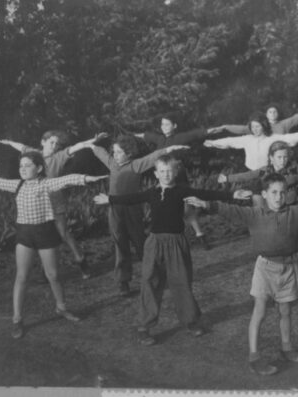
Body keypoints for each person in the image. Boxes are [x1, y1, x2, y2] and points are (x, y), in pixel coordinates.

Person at [185, 174, 298, 376]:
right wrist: (206, 204)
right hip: (264, 268)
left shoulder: (295, 212)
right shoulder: (254, 214)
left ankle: (286, 348)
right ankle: (254, 357)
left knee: (285, 311)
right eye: (274, 192)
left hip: (287, 268)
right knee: (260, 311)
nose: (278, 197)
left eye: (282, 192)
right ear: (265, 194)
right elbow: (229, 210)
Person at [93, 155, 251, 346]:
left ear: (175, 172)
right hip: (154, 243)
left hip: (176, 243)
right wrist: (109, 199)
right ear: (156, 173)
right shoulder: (151, 192)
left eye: (170, 171)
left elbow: (205, 193)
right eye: (162, 171)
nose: (166, 174)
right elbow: (131, 198)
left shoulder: (182, 191)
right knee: (150, 281)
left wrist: (232, 195)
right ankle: (145, 326)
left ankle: (191, 321)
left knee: (181, 282)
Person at [0, 151, 107, 339]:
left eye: (27, 165)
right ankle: (17, 319)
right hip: (25, 235)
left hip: (46, 233)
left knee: (53, 275)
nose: (23, 169)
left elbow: (67, 179)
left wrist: (86, 178)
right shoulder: (17, 185)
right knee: (22, 277)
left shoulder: (46, 184)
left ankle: (61, 308)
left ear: (39, 168)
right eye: (21, 166)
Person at [221, 141, 298, 300]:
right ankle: (271, 288)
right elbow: (248, 175)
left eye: (285, 157)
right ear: (271, 157)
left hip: (291, 214)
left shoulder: (294, 169)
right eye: (279, 157)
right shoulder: (265, 171)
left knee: (291, 253)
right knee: (271, 252)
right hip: (270, 215)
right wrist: (228, 178)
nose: (283, 160)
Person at [90, 134, 189, 296]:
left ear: (129, 153)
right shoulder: (112, 164)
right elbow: (99, 151)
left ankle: (154, 275)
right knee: (120, 244)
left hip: (133, 209)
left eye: (119, 152)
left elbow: (153, 157)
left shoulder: (136, 165)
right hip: (115, 210)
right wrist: (91, 144)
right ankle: (123, 281)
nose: (115, 155)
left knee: (141, 243)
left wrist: (170, 148)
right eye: (114, 152)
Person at [0, 132, 104, 278]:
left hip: (54, 201)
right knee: (43, 234)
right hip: (37, 201)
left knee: (63, 233)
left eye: (57, 144)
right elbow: (21, 147)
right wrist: (10, 143)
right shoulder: (34, 154)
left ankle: (81, 260)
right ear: (43, 142)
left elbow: (77, 147)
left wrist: (93, 140)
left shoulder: (59, 157)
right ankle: (45, 270)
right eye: (51, 142)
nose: (54, 146)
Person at [133, 114, 225, 250]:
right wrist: (131, 136)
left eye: (167, 124)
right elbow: (145, 135)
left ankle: (200, 235)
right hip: (163, 178)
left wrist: (210, 130)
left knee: (187, 207)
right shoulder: (159, 138)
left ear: (175, 125)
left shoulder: (181, 137)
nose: (164, 127)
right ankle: (167, 238)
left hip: (178, 176)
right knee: (163, 206)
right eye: (162, 124)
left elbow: (195, 134)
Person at [203, 112, 298, 171]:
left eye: (258, 126)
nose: (255, 129)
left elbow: (292, 137)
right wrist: (213, 143)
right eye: (253, 127)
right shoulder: (247, 139)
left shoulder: (272, 138)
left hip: (268, 172)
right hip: (251, 172)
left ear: (264, 126)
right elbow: (230, 141)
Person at [219, 103, 298, 135]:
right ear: (266, 114)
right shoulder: (260, 125)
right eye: (270, 112)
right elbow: (242, 129)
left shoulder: (284, 124)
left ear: (278, 114)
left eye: (275, 112)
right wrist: (226, 127)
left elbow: (297, 117)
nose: (272, 114)